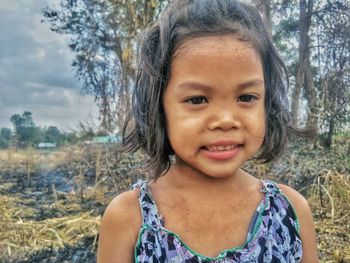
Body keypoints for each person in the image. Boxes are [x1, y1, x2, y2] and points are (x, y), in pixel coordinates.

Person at [97, 0, 319, 262]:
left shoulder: (290, 212)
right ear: (159, 107)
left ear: (267, 103)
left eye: (246, 97)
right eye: (197, 100)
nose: (225, 120)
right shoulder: (128, 219)